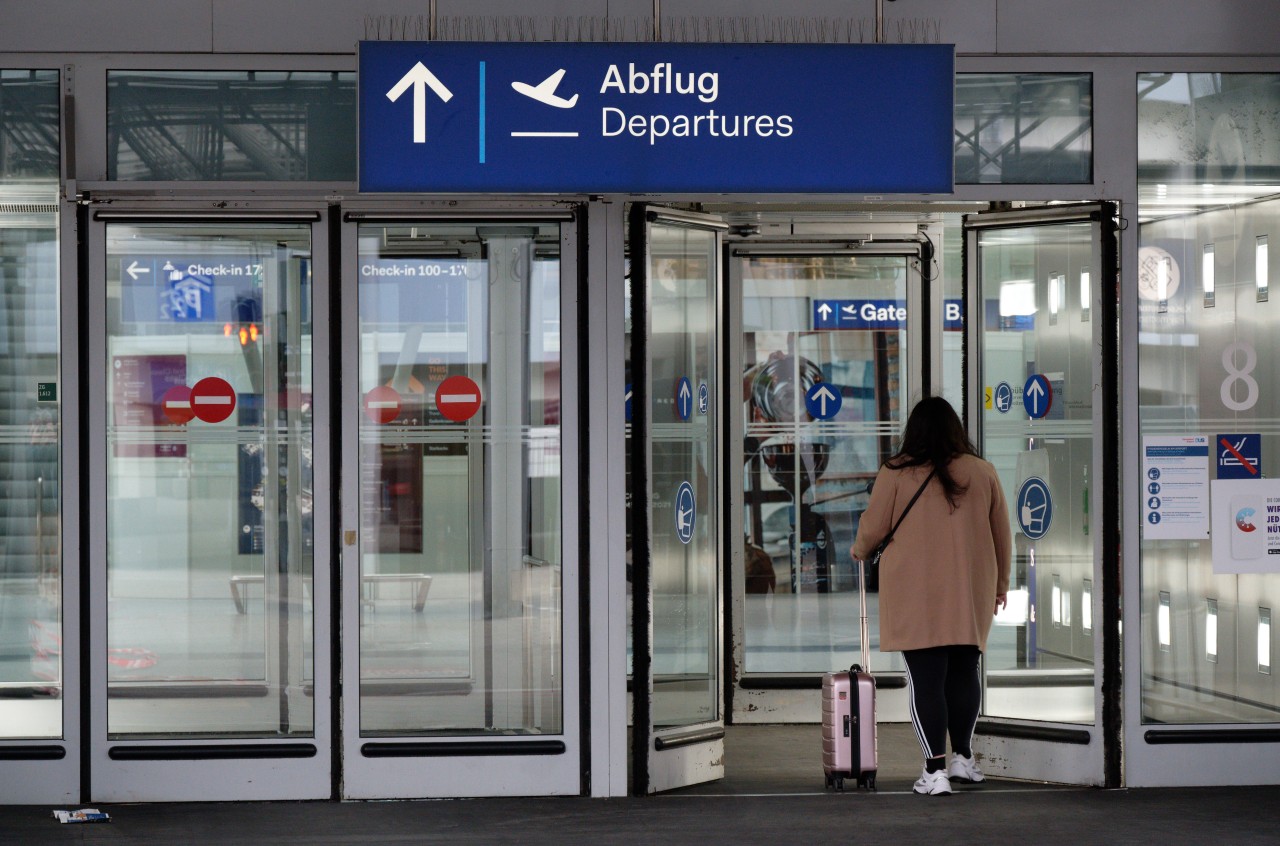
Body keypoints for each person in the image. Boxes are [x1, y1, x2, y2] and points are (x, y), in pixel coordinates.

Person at [849, 397, 1011, 796]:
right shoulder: (982, 471)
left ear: (914, 430)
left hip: (914, 593)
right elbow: (1002, 535)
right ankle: (963, 759)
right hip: (970, 589)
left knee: (926, 680)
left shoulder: (897, 472)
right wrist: (1001, 584)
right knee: (963, 673)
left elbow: (872, 528)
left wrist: (859, 549)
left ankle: (934, 770)